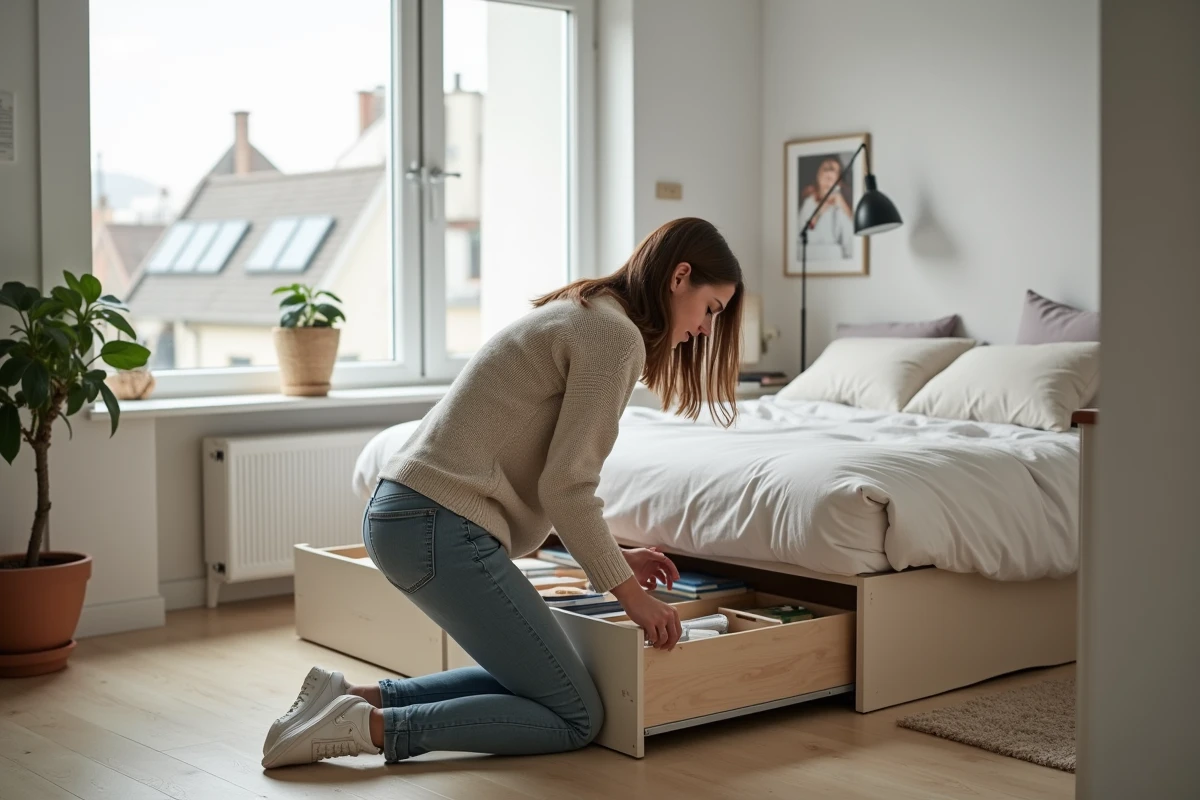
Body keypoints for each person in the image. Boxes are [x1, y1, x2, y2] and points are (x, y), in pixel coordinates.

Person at [260, 217, 744, 769]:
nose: (707, 329)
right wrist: (630, 595)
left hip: (405, 512)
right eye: (711, 309)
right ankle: (368, 729)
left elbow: (544, 474)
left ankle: (354, 700)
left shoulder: (587, 309)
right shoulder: (615, 336)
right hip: (438, 524)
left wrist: (617, 561)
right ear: (681, 277)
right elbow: (568, 488)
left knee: (539, 673)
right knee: (575, 715)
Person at [796, 155, 854, 261]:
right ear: (818, 176)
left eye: (832, 173)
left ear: (839, 180)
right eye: (825, 171)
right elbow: (802, 233)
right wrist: (819, 212)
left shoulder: (842, 205)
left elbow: (852, 237)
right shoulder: (809, 202)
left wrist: (841, 203)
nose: (828, 178)